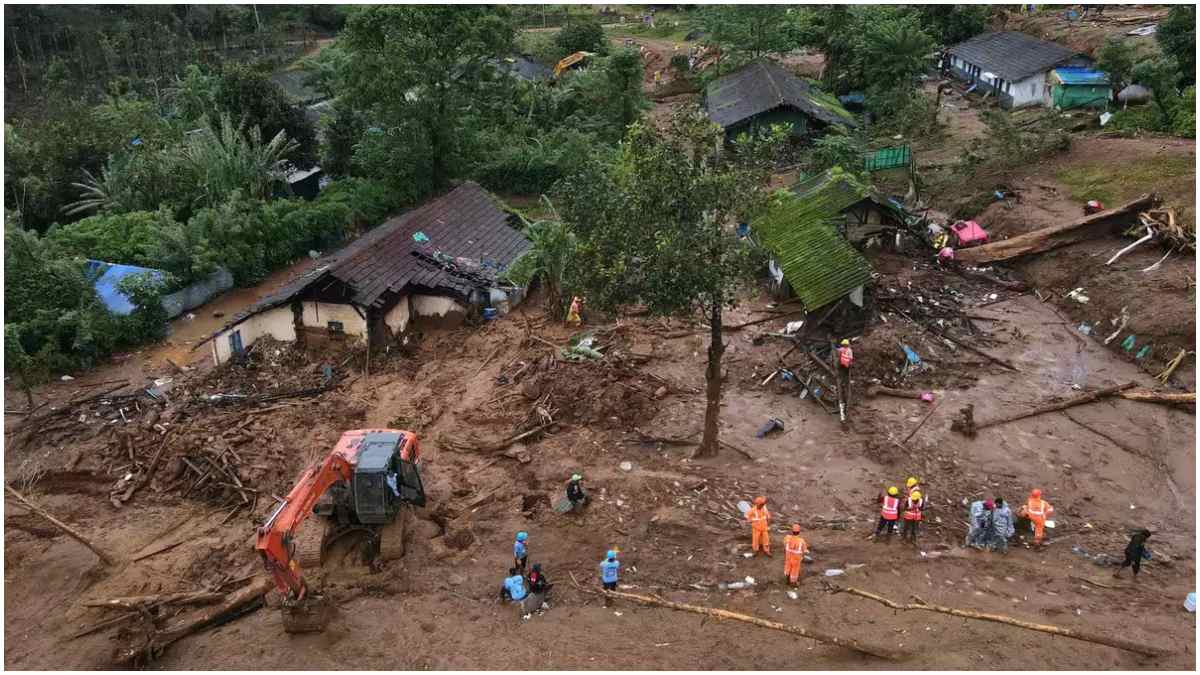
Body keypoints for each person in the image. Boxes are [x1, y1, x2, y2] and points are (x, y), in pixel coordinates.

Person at [835, 339, 853, 410]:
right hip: (846, 365)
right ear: (848, 344)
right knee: (846, 374)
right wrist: (850, 364)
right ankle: (845, 381)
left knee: (841, 373)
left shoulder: (840, 349)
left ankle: (841, 379)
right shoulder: (849, 350)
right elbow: (851, 358)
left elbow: (837, 353)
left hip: (841, 365)